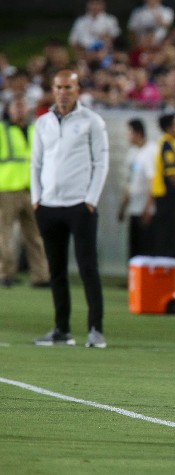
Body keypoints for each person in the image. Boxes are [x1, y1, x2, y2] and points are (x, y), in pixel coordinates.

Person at [31, 69, 109, 348]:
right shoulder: (43, 123)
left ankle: (95, 330)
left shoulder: (92, 121)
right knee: (56, 271)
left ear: (77, 90)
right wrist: (37, 199)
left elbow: (101, 162)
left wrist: (91, 200)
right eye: (58, 87)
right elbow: (36, 163)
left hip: (80, 206)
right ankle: (62, 329)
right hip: (49, 206)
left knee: (88, 268)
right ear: (53, 89)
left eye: (68, 87)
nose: (63, 92)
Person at [0, 95, 50, 288]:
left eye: (23, 105)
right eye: (16, 106)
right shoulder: (2, 130)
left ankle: (41, 276)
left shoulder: (34, 129)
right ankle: (5, 273)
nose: (20, 109)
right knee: (5, 235)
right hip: (7, 188)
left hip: (32, 189)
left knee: (36, 235)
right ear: (9, 110)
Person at [148, 112, 175, 258]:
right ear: (169, 128)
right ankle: (164, 269)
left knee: (167, 234)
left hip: (168, 197)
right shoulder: (167, 144)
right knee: (167, 236)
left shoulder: (169, 143)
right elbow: (171, 173)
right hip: (168, 197)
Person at [117, 118, 155, 259]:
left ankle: (144, 280)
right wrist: (123, 207)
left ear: (137, 133)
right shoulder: (133, 152)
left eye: (129, 133)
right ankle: (133, 280)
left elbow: (153, 181)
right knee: (133, 247)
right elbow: (130, 182)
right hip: (134, 207)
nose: (127, 136)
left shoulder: (151, 151)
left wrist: (148, 208)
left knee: (145, 248)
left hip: (146, 210)